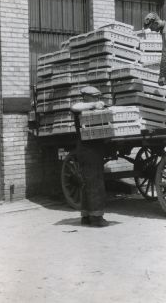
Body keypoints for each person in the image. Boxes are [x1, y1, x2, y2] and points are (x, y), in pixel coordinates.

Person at [70, 86, 109, 227]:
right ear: (87, 97)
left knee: (88, 183)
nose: (97, 99)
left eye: (98, 97)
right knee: (95, 183)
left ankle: (86, 216)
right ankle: (96, 218)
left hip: (92, 150)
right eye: (95, 97)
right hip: (88, 150)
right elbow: (74, 106)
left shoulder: (92, 110)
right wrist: (94, 105)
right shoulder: (81, 108)